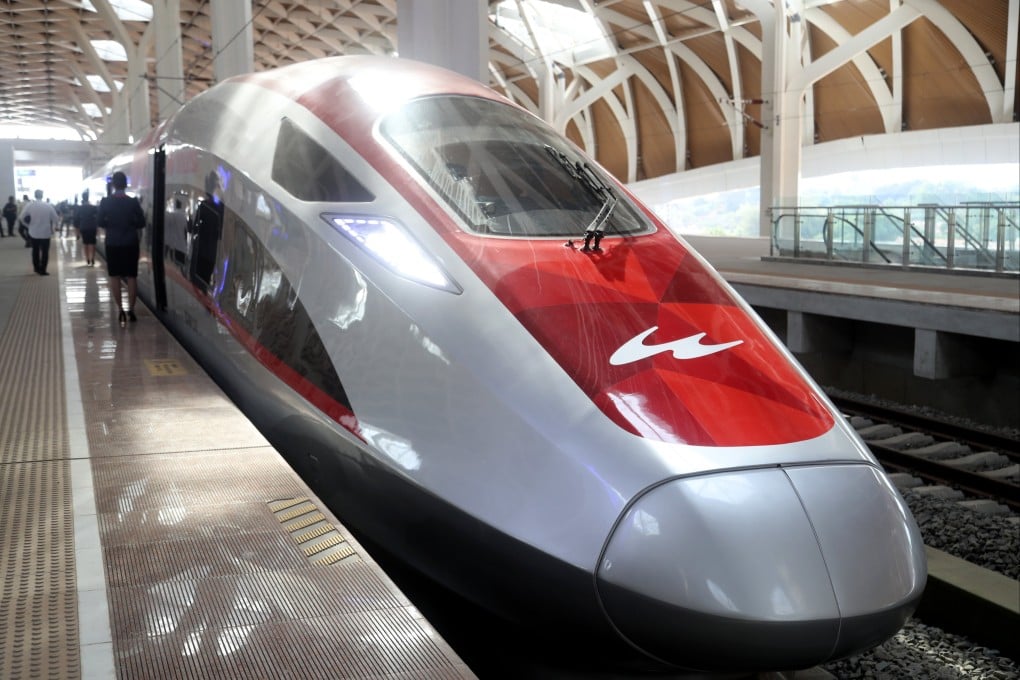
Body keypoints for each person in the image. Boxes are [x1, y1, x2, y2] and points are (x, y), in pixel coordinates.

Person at [98, 171, 145, 325]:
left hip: (112, 243)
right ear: (126, 184)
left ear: (113, 185)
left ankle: (120, 310)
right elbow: (141, 222)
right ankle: (131, 310)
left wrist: (111, 225)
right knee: (132, 277)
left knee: (115, 277)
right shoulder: (133, 202)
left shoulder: (105, 202)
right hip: (131, 242)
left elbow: (100, 222)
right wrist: (130, 225)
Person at [18, 189, 60, 275]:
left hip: (33, 232)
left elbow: (21, 217)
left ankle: (36, 268)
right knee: (45, 251)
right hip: (45, 232)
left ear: (35, 195)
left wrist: (28, 226)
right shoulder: (48, 205)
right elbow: (56, 218)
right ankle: (43, 270)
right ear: (42, 195)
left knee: (35, 250)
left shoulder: (30, 205)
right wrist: (55, 227)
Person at [74, 190, 100, 266]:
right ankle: (93, 259)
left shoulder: (80, 208)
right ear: (88, 198)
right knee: (92, 243)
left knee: (85, 243)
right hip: (92, 227)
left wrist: (77, 232)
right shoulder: (93, 207)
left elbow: (76, 219)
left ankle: (87, 259)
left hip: (84, 227)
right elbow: (98, 218)